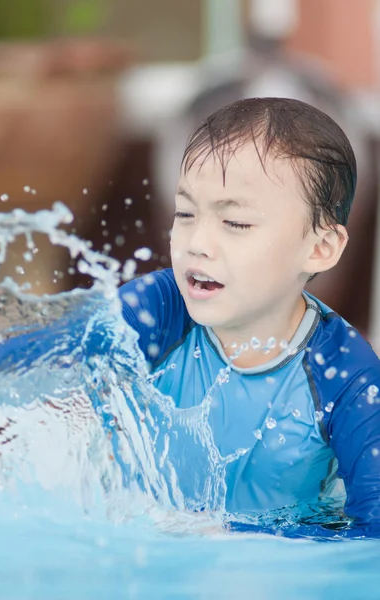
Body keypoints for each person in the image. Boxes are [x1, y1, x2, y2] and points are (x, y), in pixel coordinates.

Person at [119, 97, 380, 533]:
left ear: (320, 248)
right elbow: (49, 358)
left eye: (235, 223)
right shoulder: (160, 311)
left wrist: (236, 537)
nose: (196, 243)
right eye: (185, 213)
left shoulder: (343, 374)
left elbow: (372, 529)